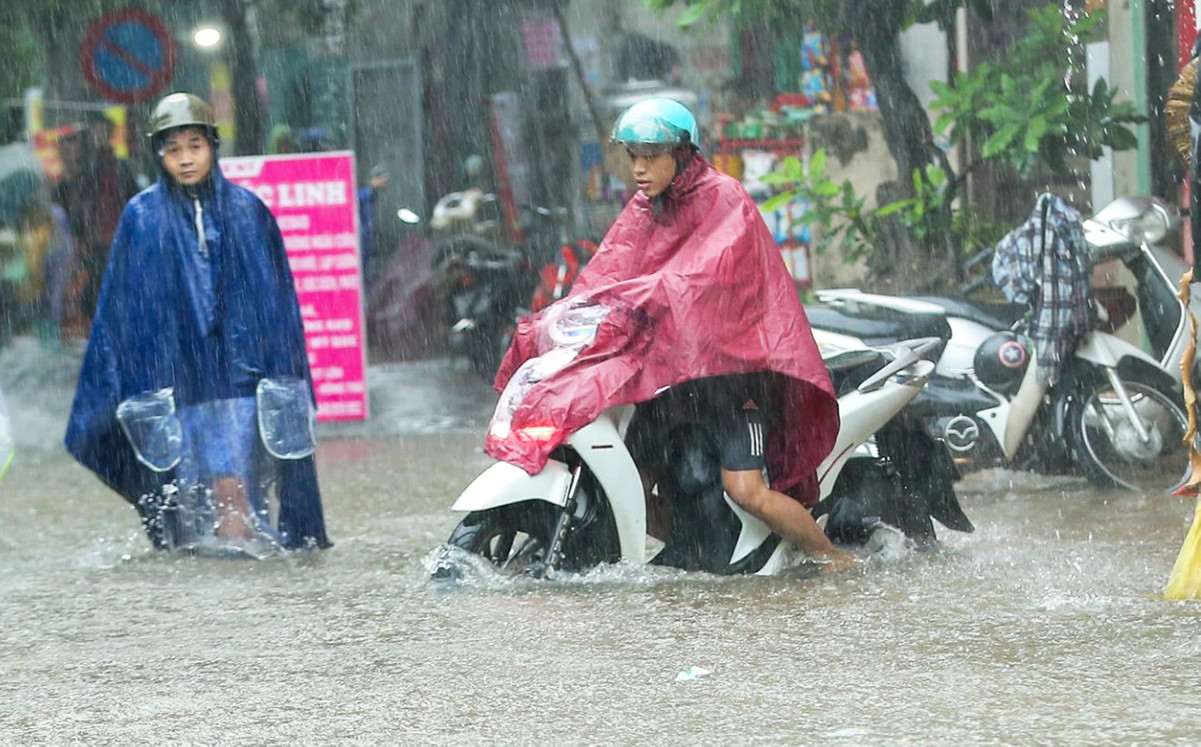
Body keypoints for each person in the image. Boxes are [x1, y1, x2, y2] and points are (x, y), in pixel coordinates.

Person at [490, 97, 854, 569]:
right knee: (628, 487)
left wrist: (646, 294)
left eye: (650, 157)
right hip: (670, 376)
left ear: (681, 155)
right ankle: (700, 545)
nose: (638, 169)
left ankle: (832, 558)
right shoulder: (644, 209)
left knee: (747, 492)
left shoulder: (726, 199)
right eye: (633, 157)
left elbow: (702, 280)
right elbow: (608, 273)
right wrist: (567, 314)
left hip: (731, 377)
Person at [64, 92, 330, 554]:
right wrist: (129, 381)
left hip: (242, 380)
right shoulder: (141, 217)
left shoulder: (249, 212)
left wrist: (279, 371)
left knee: (236, 503)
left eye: (195, 146)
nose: (185, 159)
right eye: (173, 149)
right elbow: (124, 308)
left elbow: (275, 301)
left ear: (212, 146)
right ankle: (226, 594)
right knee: (188, 517)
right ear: (158, 153)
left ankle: (246, 600)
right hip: (176, 381)